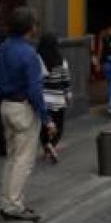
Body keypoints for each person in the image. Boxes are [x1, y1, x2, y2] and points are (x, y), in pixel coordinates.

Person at [0, 7, 57, 222]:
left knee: (12, 157)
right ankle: (14, 205)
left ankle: (8, 201)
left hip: (5, 105)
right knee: (23, 160)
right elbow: (34, 90)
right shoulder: (29, 53)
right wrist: (46, 118)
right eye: (35, 24)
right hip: (23, 107)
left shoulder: (3, 48)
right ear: (30, 28)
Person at [36, 33, 71, 163]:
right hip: (57, 98)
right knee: (59, 125)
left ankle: (47, 145)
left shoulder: (37, 59)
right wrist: (68, 94)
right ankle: (52, 145)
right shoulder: (61, 60)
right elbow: (66, 80)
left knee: (44, 125)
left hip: (42, 98)